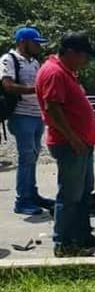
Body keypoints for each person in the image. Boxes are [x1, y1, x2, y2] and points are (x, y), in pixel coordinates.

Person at [36, 32, 95, 257]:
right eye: (83, 56)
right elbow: (52, 108)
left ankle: (81, 235)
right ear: (71, 52)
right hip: (70, 144)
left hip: (81, 142)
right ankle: (63, 244)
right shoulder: (54, 72)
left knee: (84, 192)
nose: (85, 61)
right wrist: (73, 137)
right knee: (70, 195)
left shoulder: (65, 71)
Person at [1, 27, 54, 215]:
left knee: (33, 156)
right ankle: (22, 200)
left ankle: (32, 194)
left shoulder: (34, 62)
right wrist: (36, 90)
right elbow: (8, 86)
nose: (39, 46)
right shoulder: (9, 60)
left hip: (36, 114)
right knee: (26, 157)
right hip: (21, 115)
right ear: (23, 42)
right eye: (36, 43)